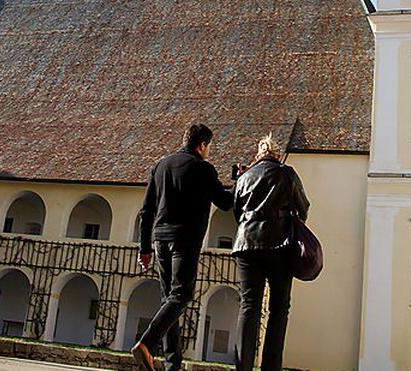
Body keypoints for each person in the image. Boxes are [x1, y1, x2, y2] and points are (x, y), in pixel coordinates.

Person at [132, 123, 232, 371]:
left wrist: (144, 247)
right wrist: (240, 182)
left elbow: (147, 211)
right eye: (209, 147)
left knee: (170, 300)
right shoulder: (203, 169)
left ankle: (172, 364)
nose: (209, 151)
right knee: (182, 295)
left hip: (159, 240)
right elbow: (225, 202)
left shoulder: (161, 166)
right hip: (184, 240)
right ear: (202, 145)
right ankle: (146, 343)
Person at [230, 134, 310, 371]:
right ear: (276, 154)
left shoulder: (244, 178)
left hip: (246, 244)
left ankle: (242, 366)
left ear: (258, 154)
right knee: (279, 308)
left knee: (249, 305)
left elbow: (237, 211)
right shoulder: (287, 173)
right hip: (280, 245)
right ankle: (270, 367)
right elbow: (303, 207)